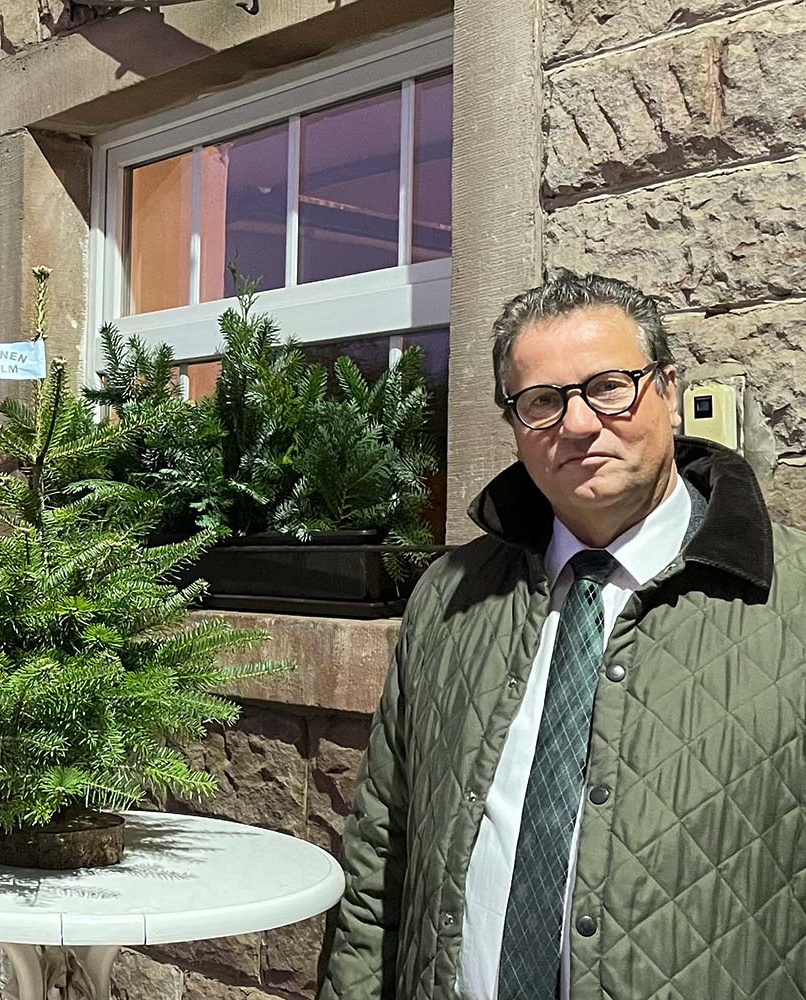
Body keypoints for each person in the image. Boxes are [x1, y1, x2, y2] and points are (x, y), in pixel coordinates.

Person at [321, 270, 806, 1000]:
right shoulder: (450, 597)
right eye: (542, 402)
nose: (578, 425)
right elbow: (379, 860)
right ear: (515, 424)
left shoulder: (791, 600)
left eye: (610, 386)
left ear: (668, 391)